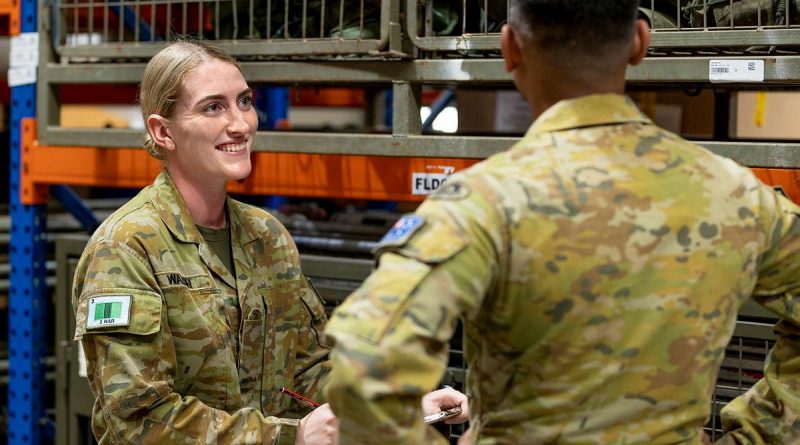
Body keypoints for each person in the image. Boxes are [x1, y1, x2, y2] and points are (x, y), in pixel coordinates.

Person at [322, 1, 800, 444]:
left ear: (509, 48)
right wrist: (761, 432)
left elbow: (367, 366)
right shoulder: (735, 195)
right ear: (639, 42)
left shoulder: (483, 203)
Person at [71, 39, 467, 445]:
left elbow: (307, 371)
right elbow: (138, 422)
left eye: (244, 101)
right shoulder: (126, 248)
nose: (241, 123)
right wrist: (286, 436)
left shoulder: (267, 236)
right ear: (162, 131)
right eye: (213, 107)